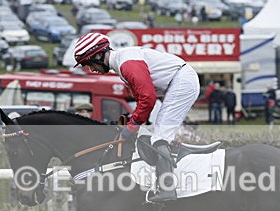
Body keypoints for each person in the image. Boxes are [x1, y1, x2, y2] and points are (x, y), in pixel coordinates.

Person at [73, 32, 200, 202]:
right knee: (156, 135)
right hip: (176, 82)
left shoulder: (127, 64)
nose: (91, 70)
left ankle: (167, 189)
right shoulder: (122, 63)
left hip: (181, 82)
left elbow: (148, 99)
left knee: (159, 138)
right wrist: (132, 121)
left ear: (98, 55)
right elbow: (144, 100)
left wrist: (131, 126)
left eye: (88, 64)